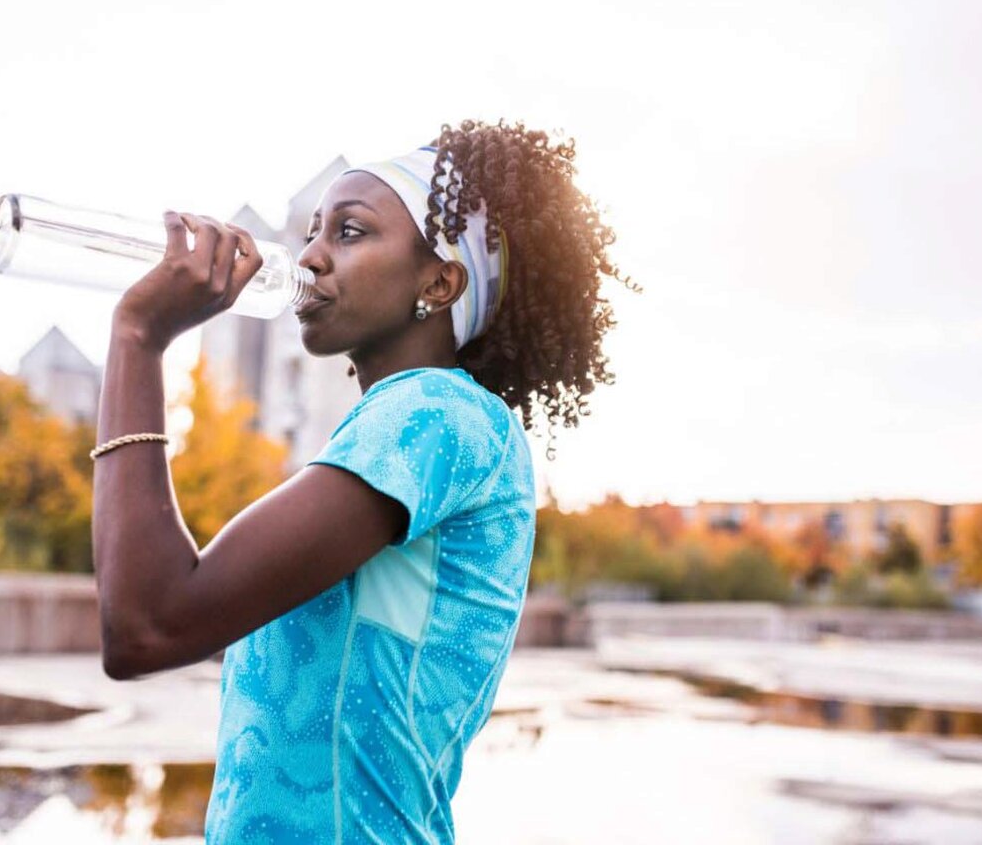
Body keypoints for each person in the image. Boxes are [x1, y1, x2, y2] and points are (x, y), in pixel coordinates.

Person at [90, 119, 638, 843]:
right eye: (313, 230)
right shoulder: (407, 431)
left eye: (349, 232)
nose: (309, 257)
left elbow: (149, 623)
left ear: (439, 282)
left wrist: (137, 338)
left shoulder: (438, 415)